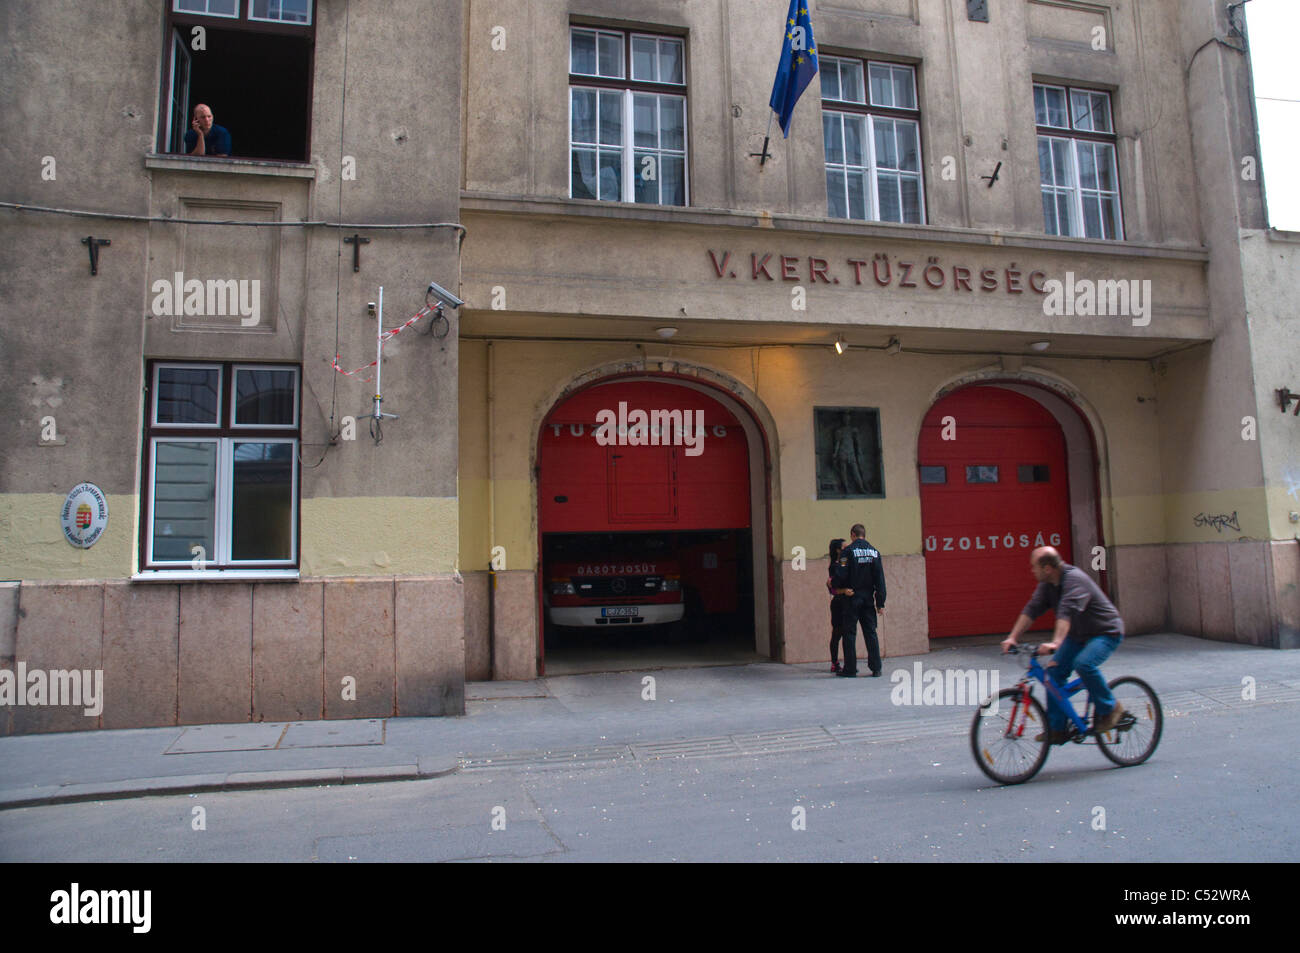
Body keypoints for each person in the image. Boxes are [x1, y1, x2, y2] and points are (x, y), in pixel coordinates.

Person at [1001, 546, 1126, 744]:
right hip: (1078, 635)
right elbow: (1032, 609)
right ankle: (1057, 729)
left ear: (1048, 568)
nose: (1031, 571)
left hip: (1105, 632)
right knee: (1053, 674)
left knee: (1083, 664)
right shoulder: (1048, 585)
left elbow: (1065, 614)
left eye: (1034, 567)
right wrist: (1013, 637)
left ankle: (1111, 708)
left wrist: (1056, 643)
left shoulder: (1074, 581)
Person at [836, 523, 886, 677]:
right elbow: (880, 580)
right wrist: (880, 603)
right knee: (871, 633)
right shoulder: (875, 553)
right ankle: (876, 668)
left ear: (852, 534)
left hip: (852, 598)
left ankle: (850, 669)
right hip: (868, 600)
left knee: (850, 633)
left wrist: (839, 587)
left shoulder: (847, 552)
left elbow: (841, 573)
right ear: (864, 535)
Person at [827, 538, 850, 673]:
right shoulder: (834, 566)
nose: (847, 549)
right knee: (837, 633)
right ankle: (834, 662)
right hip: (838, 603)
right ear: (838, 550)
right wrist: (843, 591)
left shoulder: (843, 562)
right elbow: (832, 588)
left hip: (847, 602)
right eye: (844, 547)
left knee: (847, 633)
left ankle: (848, 661)